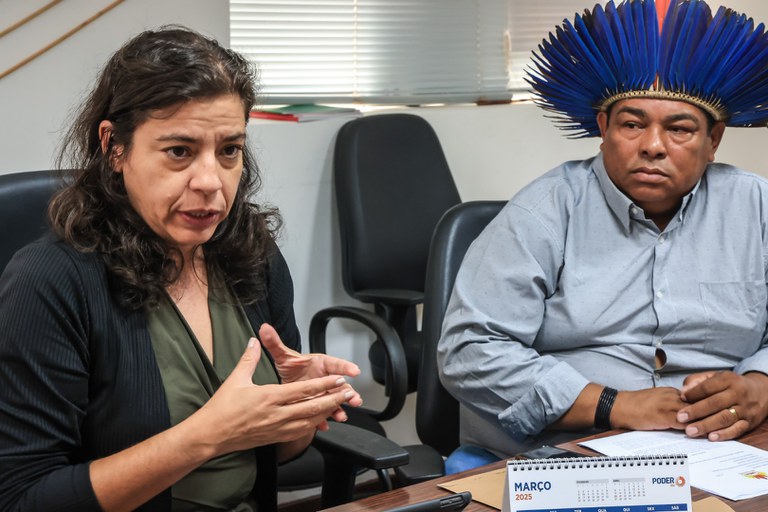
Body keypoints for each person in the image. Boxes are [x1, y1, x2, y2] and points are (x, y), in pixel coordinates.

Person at [0, 27, 363, 511]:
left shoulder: (251, 256)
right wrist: (205, 436)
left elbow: (275, 455)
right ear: (114, 147)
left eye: (229, 149)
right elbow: (23, 498)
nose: (211, 181)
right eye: (179, 151)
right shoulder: (49, 281)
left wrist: (293, 411)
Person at [437, 0, 768, 472]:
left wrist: (759, 387)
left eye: (679, 129)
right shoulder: (544, 210)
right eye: (633, 124)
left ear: (713, 141)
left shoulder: (757, 208)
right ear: (603, 128)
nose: (653, 146)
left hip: (723, 450)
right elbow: (471, 351)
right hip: (563, 450)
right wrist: (614, 404)